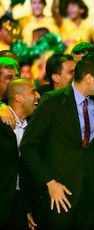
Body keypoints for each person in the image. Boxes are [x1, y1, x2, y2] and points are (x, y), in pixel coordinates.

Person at [20, 53, 94, 230]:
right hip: (60, 193)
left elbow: (88, 147)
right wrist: (49, 182)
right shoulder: (53, 101)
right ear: (88, 78)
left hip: (89, 194)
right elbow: (29, 147)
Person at [0, 78, 40, 230]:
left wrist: (26, 207)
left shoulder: (32, 127)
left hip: (19, 202)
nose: (38, 96)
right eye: (33, 91)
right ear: (18, 97)